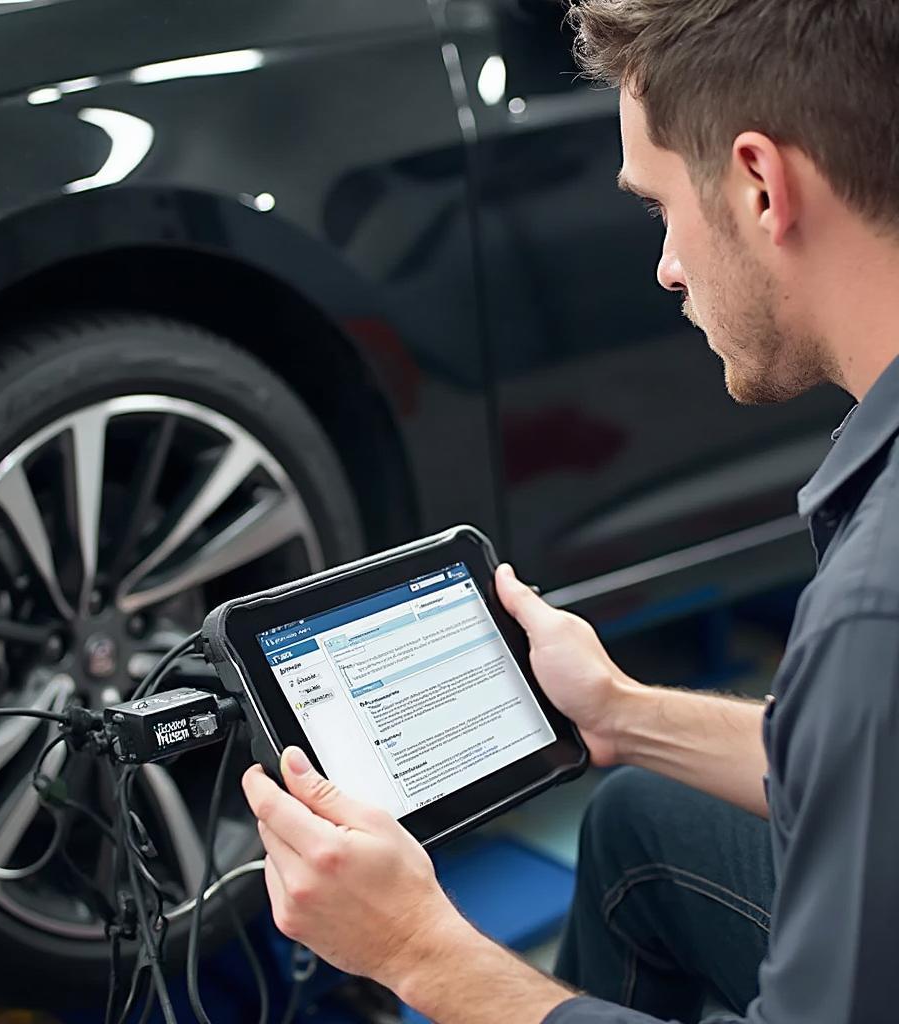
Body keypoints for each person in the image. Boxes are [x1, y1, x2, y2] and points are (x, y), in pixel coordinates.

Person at [241, 1, 899, 1020]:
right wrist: (622, 714)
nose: (667, 265)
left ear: (763, 186)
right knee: (643, 817)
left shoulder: (872, 611)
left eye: (659, 206)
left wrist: (418, 949)